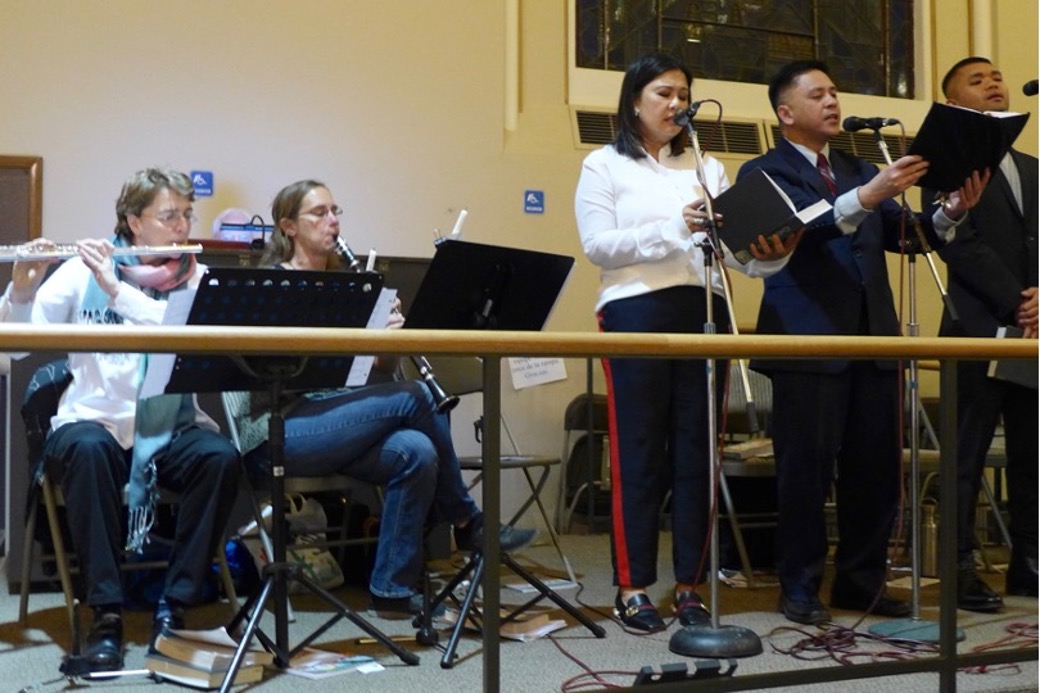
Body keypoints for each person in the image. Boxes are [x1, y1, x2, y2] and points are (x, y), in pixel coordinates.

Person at [738, 60, 988, 624]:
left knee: (874, 473)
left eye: (834, 90)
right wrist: (868, 196)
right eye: (817, 94)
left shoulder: (859, 165)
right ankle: (799, 586)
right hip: (807, 344)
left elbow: (909, 236)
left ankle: (860, 582)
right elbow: (796, 228)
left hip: (876, 341)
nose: (832, 101)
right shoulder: (764, 170)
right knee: (805, 472)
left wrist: (948, 212)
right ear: (785, 113)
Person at [232, 179, 535, 618]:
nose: (332, 221)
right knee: (415, 396)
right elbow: (275, 372)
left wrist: (387, 344)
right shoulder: (271, 286)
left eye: (336, 211)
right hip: (275, 429)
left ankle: (390, 591)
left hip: (331, 423)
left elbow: (374, 372)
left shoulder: (344, 286)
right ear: (288, 227)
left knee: (416, 450)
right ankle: (467, 520)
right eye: (319, 213)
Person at [574, 52, 799, 632]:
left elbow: (733, 256)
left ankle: (691, 585)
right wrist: (677, 225)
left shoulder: (708, 166)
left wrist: (768, 254)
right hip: (634, 310)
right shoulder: (603, 165)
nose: (677, 104)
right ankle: (633, 586)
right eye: (664, 93)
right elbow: (599, 246)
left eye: (683, 94)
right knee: (639, 453)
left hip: (706, 312)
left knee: (699, 454)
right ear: (633, 101)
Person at [0, 168, 241, 670]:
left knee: (218, 458)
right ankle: (105, 615)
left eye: (187, 215)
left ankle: (173, 608)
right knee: (88, 450)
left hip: (169, 428)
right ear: (133, 220)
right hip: (93, 423)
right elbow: (12, 351)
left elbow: (185, 333)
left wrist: (117, 290)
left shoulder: (196, 278)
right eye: (169, 216)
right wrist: (22, 292)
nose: (181, 227)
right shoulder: (80, 269)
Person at [925, 56, 1038, 610]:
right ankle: (961, 566)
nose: (993, 83)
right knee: (964, 456)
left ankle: (1029, 562)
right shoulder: (942, 164)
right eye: (977, 80)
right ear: (952, 103)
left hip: (1033, 333)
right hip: (975, 328)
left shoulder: (1033, 166)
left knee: (1031, 453)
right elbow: (956, 240)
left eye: (996, 75)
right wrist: (1020, 302)